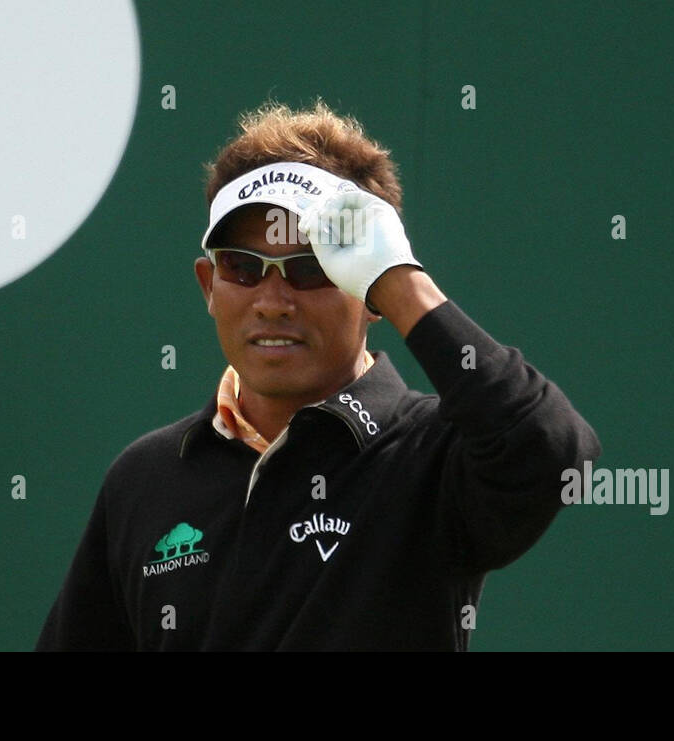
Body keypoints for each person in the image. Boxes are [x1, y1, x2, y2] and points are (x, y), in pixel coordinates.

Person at [35, 99, 601, 651]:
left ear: (372, 292)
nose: (273, 300)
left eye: (313, 268)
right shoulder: (146, 476)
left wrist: (402, 282)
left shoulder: (431, 454)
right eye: (243, 266)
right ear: (209, 285)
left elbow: (550, 447)